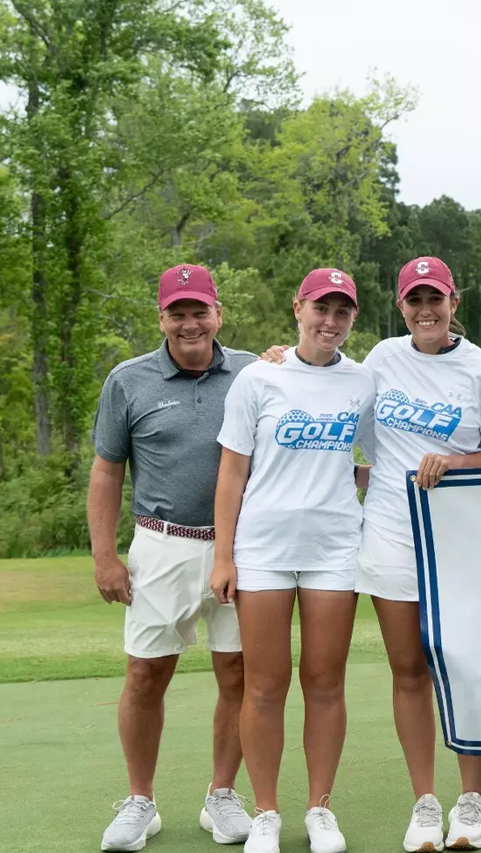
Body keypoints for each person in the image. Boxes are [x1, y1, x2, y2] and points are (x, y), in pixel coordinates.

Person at [90, 265, 255, 852]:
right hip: (161, 545)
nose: (189, 323)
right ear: (161, 318)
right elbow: (108, 470)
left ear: (217, 314)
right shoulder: (128, 381)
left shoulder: (257, 372)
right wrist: (105, 556)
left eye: (199, 311)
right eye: (177, 312)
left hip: (242, 546)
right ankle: (141, 801)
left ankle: (222, 795)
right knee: (144, 673)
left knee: (238, 673)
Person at [210, 268, 375, 853]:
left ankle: (319, 808)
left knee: (325, 682)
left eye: (341, 312)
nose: (329, 321)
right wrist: (223, 556)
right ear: (297, 308)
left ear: (352, 318)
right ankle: (267, 813)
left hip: (334, 546)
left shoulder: (364, 382)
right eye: (319, 309)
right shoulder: (259, 378)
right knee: (264, 685)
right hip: (262, 548)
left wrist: (351, 475)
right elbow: (232, 472)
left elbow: (379, 459)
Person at [358, 257, 481, 852]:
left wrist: (454, 462)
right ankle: (425, 803)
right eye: (414, 299)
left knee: (463, 668)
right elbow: (324, 389)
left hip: (460, 539)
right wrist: (274, 359)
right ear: (401, 305)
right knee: (409, 671)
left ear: (455, 302)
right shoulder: (381, 360)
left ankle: (470, 801)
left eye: (436, 298)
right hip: (392, 532)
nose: (426, 309)